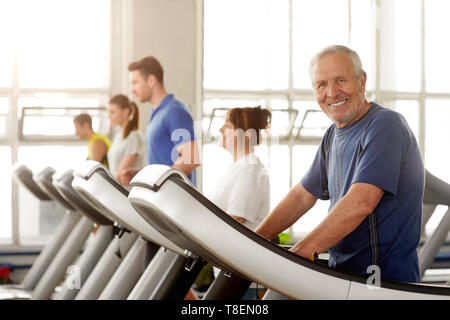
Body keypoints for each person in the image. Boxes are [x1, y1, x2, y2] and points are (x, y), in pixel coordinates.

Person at [255, 45, 424, 283]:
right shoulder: (332, 136)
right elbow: (302, 196)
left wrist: (302, 252)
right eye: (321, 84)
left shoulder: (385, 125)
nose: (332, 92)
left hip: (381, 284)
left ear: (361, 81)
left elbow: (360, 202)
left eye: (341, 80)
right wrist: (253, 240)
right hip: (343, 278)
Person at [116, 56, 199, 186]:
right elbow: (163, 163)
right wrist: (140, 173)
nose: (132, 89)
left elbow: (191, 158)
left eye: (135, 82)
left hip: (174, 203)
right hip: (160, 201)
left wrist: (157, 183)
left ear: (151, 81)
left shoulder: (175, 111)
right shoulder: (157, 114)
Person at [208, 106, 271, 230]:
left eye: (228, 126)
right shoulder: (239, 166)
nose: (220, 130)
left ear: (247, 134)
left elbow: (236, 219)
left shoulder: (250, 169)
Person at [106, 94, 146, 182]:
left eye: (112, 112)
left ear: (125, 112)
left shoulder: (134, 137)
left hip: (127, 191)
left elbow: (122, 172)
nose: (109, 116)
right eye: (108, 112)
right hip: (116, 187)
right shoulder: (118, 136)